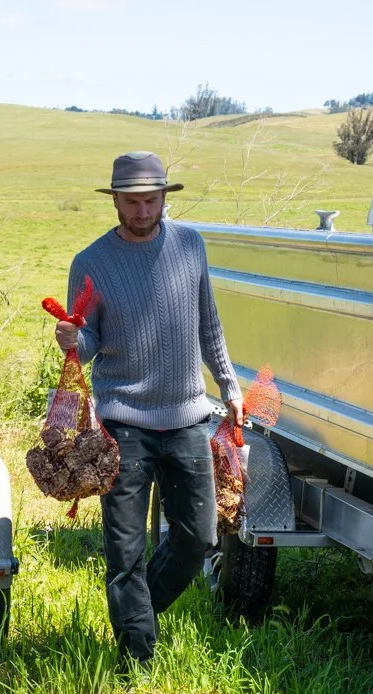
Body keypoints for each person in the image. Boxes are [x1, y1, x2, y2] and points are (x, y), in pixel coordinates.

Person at [56, 151, 243, 665]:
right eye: (131, 202)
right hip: (123, 424)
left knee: (198, 537)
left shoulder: (190, 246)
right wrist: (72, 338)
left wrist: (229, 387)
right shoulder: (90, 263)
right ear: (114, 200)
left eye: (150, 201)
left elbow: (210, 325)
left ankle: (139, 615)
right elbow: (88, 344)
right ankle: (137, 660)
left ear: (165, 197)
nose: (141, 212)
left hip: (188, 417)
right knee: (125, 554)